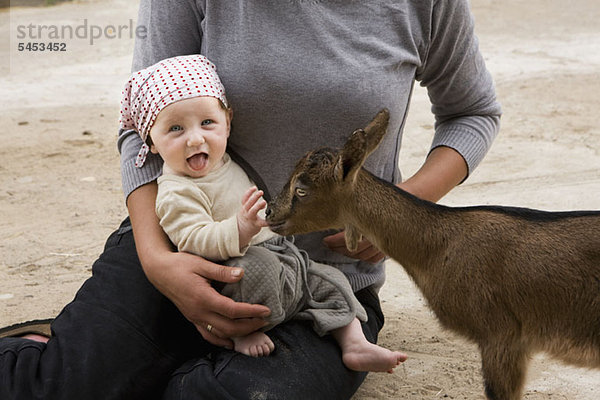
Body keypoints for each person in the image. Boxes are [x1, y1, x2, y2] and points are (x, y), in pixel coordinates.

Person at [0, 0, 501, 399]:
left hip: (316, 285)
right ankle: (47, 348)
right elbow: (139, 129)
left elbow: (473, 112)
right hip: (179, 250)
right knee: (57, 386)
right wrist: (156, 261)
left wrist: (402, 209)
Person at [120, 53, 406, 370]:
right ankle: (244, 333)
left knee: (330, 279)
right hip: (234, 262)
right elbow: (191, 238)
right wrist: (239, 228)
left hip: (281, 252)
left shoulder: (223, 160)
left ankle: (354, 342)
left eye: (207, 123)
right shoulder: (176, 190)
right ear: (152, 143)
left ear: (227, 123)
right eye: (176, 129)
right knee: (256, 276)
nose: (196, 138)